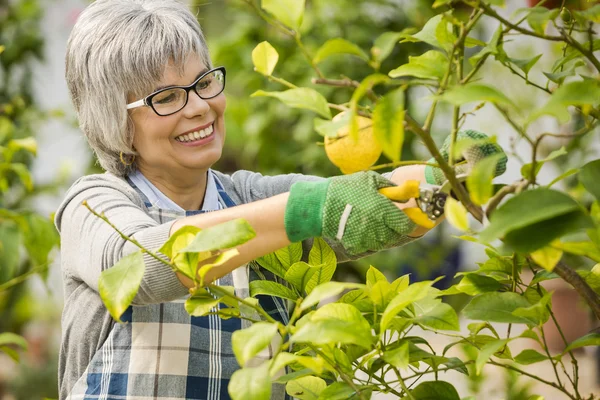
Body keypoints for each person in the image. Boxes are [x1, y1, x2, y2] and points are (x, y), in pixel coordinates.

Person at [55, 0, 506, 399]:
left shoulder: (246, 197)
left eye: (204, 83)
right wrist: (307, 209)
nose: (198, 107)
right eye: (168, 97)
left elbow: (364, 201)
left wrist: (445, 173)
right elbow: (141, 269)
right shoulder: (94, 206)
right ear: (113, 117)